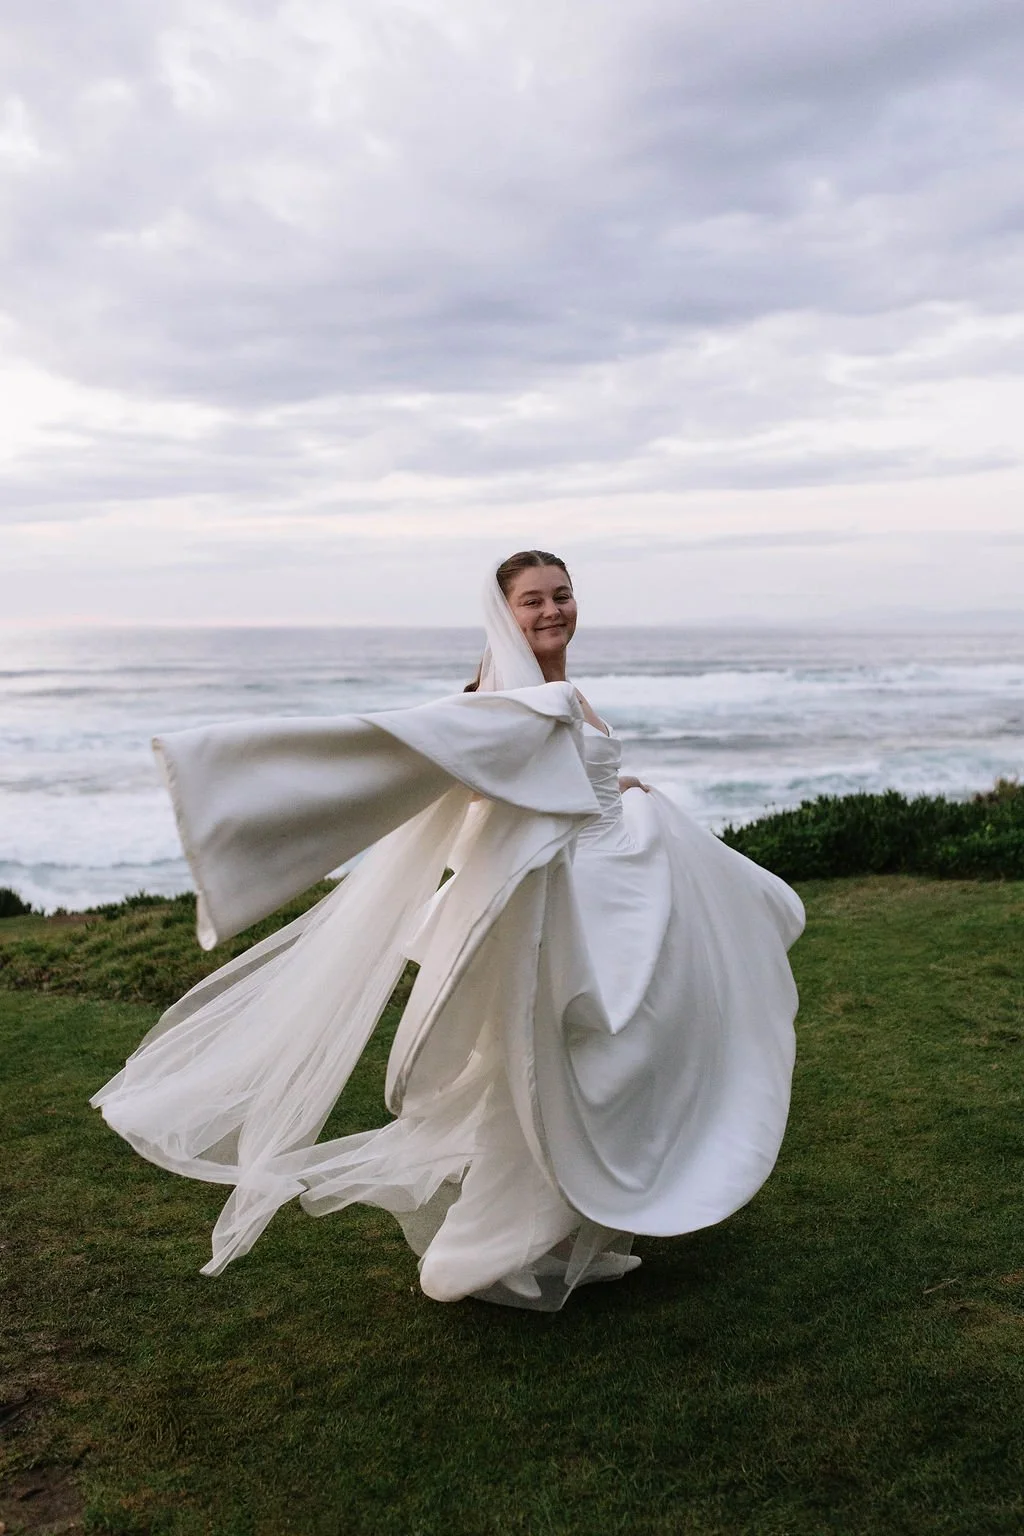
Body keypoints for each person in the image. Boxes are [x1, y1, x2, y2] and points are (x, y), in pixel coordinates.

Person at [93, 551, 804, 1311]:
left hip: (616, 885)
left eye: (562, 596)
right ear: (505, 613)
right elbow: (462, 786)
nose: (552, 611)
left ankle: (574, 1223)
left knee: (623, 1051)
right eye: (532, 601)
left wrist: (616, 789)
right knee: (564, 1064)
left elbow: (574, 773)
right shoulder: (499, 696)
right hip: (560, 900)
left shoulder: (556, 689)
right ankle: (490, 1243)